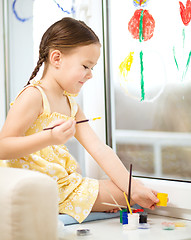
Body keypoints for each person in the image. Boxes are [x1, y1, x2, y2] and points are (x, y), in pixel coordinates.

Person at [0, 17, 159, 223]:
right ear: (56, 58)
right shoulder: (34, 95)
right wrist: (49, 138)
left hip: (62, 184)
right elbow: (3, 147)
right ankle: (67, 208)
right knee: (124, 196)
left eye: (92, 68)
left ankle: (77, 206)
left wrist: (133, 187)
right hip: (36, 186)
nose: (90, 74)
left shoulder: (71, 104)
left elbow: (99, 148)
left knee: (129, 192)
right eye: (86, 66)